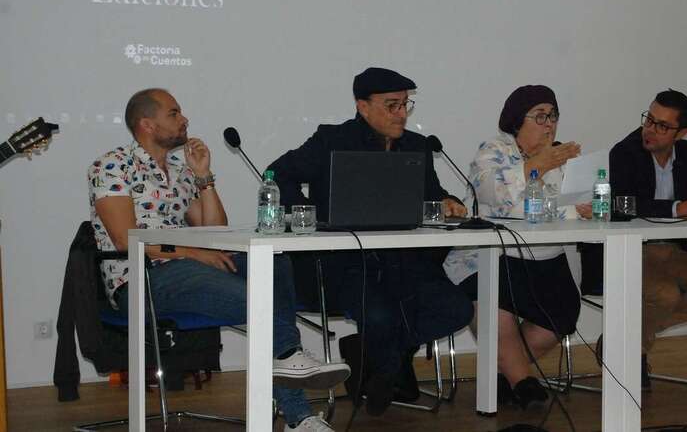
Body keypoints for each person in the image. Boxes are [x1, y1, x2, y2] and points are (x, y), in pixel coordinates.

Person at [88, 88, 348, 431]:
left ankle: (293, 387)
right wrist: (194, 253)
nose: (184, 119)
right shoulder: (112, 166)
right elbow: (125, 240)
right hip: (141, 277)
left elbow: (214, 230)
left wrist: (203, 177)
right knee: (255, 299)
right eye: (174, 113)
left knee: (274, 263)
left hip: (190, 267)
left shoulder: (179, 171)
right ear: (147, 124)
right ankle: (292, 373)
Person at [267, 67, 474, 416]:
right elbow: (277, 174)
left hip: (408, 263)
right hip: (350, 264)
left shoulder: (417, 146)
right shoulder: (332, 140)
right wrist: (310, 217)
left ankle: (379, 361)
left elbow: (431, 193)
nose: (402, 113)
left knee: (457, 309)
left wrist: (448, 201)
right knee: (379, 316)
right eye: (392, 105)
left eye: (406, 104)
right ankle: (386, 364)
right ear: (363, 107)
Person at [443, 85, 582, 411]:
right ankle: (523, 383)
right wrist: (537, 167)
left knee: (562, 317)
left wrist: (583, 203)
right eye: (540, 116)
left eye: (553, 116)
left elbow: (576, 204)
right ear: (517, 121)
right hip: (490, 256)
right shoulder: (493, 150)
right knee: (495, 307)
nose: (549, 124)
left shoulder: (561, 157)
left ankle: (501, 374)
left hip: (545, 258)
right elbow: (494, 197)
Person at [582, 89, 687, 389]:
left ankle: (621, 342)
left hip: (673, 252)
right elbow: (622, 205)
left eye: (662, 126)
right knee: (665, 294)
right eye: (649, 119)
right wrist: (676, 208)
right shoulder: (625, 152)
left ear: (681, 133)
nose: (650, 129)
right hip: (632, 249)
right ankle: (631, 352)